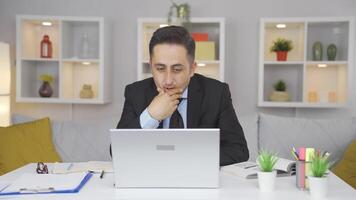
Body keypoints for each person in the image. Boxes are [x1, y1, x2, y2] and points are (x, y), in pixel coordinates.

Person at [116, 25, 249, 166]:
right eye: (160, 68)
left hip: (198, 180)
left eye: (177, 69)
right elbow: (117, 150)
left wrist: (185, 159)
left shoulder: (216, 92)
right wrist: (151, 116)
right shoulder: (135, 92)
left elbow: (239, 150)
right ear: (151, 66)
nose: (168, 80)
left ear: (192, 68)